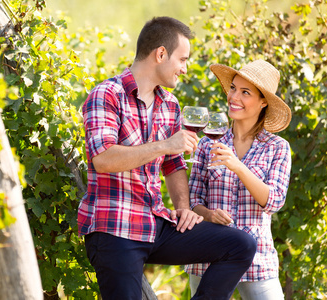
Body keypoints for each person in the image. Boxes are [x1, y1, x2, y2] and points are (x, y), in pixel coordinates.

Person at [78, 16, 257, 300]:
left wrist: (184, 208)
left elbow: (174, 164)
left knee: (240, 244)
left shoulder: (169, 104)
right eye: (182, 59)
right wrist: (164, 145)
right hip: (116, 228)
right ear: (160, 54)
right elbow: (104, 159)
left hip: (156, 224)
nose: (185, 69)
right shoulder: (106, 94)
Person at [185, 60, 292, 300]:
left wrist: (238, 166)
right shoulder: (207, 143)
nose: (234, 97)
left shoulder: (277, 148)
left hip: (258, 259)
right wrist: (209, 215)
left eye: (245, 92)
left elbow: (273, 201)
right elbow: (193, 200)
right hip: (208, 255)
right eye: (233, 88)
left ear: (263, 101)